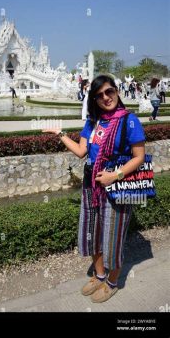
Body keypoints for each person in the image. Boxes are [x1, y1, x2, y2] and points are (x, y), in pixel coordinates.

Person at [42, 75, 145, 303]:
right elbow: (81, 152)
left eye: (109, 92)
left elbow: (139, 158)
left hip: (116, 186)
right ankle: (99, 274)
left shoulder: (129, 120)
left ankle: (112, 281)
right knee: (93, 233)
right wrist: (60, 134)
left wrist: (114, 175)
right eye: (99, 95)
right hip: (91, 185)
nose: (105, 98)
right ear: (94, 100)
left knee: (113, 236)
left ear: (117, 91)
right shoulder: (93, 122)